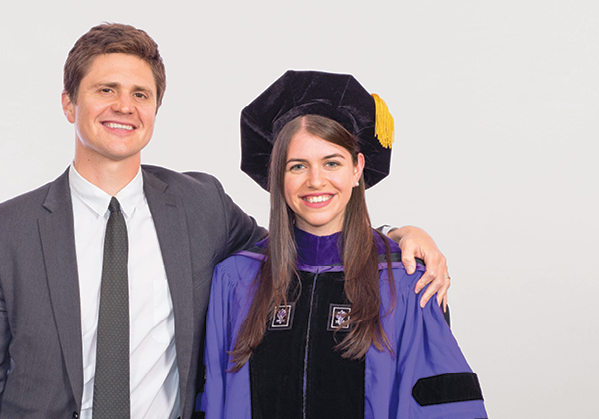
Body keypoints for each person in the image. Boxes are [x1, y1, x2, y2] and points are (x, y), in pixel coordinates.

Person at [0, 24, 452, 419]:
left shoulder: (199, 204)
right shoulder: (3, 232)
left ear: (156, 108)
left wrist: (396, 236)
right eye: (106, 90)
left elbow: (303, 243)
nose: (124, 106)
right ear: (68, 103)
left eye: (141, 94)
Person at [197, 71, 486, 418]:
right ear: (277, 175)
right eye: (297, 166)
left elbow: (441, 404)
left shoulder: (406, 282)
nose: (315, 180)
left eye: (331, 162)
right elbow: (212, 397)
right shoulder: (237, 279)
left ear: (356, 168)